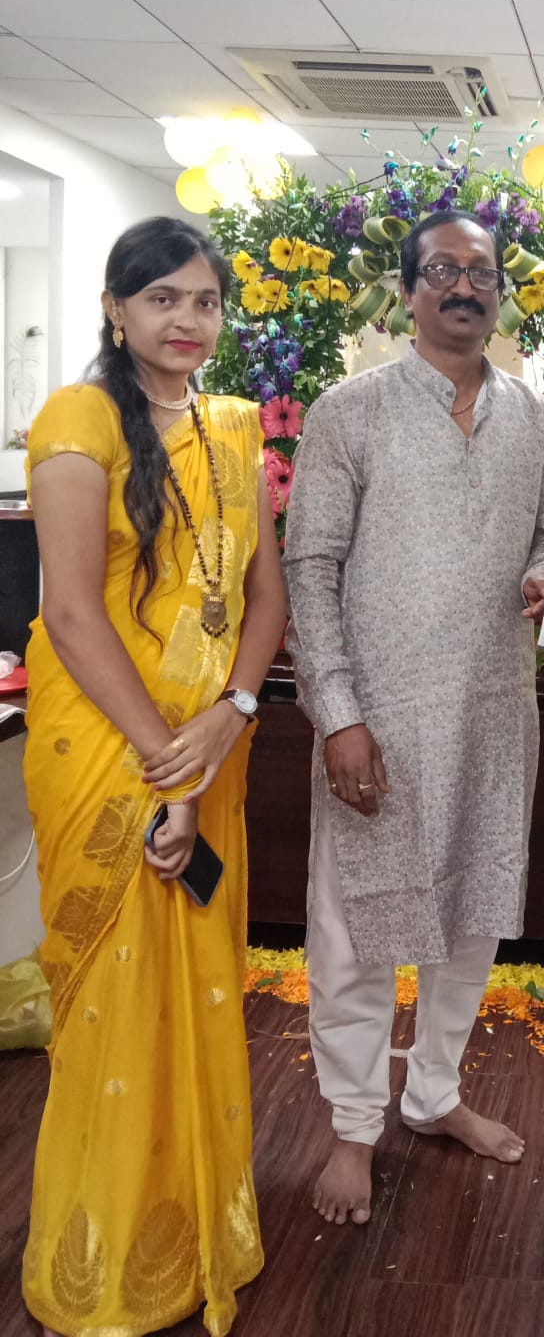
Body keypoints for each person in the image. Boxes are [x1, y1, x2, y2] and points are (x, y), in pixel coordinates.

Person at [284, 208, 544, 1228]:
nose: (463, 285)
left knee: (471, 920)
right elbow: (310, 567)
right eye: (442, 270)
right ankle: (353, 1127)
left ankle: (435, 1093)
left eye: (481, 271)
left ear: (499, 292)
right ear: (407, 292)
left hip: (495, 717)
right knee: (356, 931)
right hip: (379, 721)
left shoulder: (534, 418)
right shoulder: (351, 411)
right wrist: (338, 716)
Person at [21, 218, 287, 1337]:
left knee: (199, 980)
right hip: (112, 746)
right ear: (116, 308)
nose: (187, 320)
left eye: (205, 300)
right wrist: (167, 767)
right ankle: (108, 1252)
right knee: (115, 1001)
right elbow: (72, 615)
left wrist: (231, 714)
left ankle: (194, 1219)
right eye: (163, 298)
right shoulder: (77, 420)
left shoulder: (233, 426)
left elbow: (266, 599)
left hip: (209, 743)